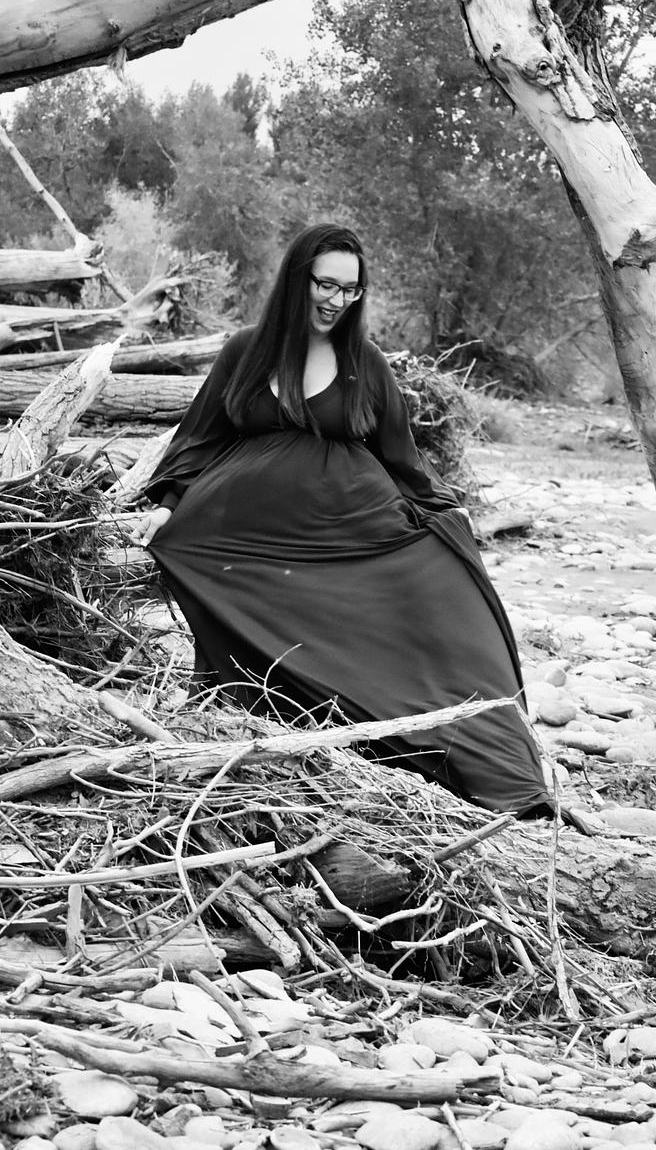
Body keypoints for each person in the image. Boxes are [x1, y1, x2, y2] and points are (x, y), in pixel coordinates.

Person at [132, 225, 552, 818]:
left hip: (355, 536)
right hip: (250, 542)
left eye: (350, 289)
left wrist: (444, 515)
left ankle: (492, 768)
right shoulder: (245, 352)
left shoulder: (365, 363)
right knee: (258, 650)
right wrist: (166, 506)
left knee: (439, 630)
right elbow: (201, 437)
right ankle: (267, 730)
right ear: (296, 278)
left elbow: (401, 457)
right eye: (325, 284)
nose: (336, 300)